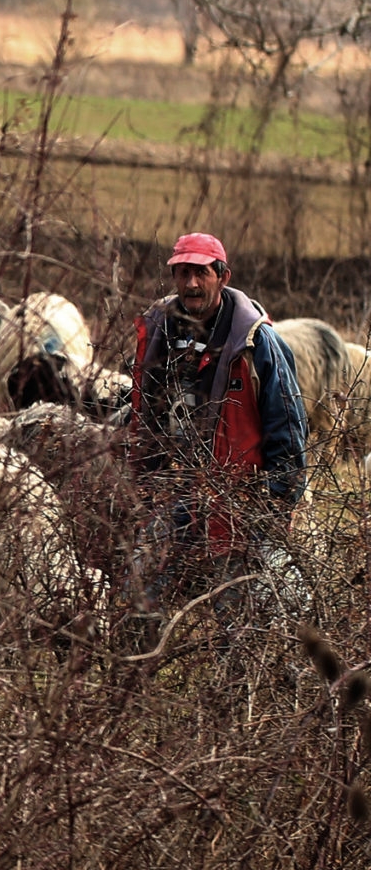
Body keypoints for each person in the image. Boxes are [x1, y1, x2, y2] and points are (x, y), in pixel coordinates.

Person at [127, 232, 309, 617]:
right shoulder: (159, 332)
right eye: (183, 273)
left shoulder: (257, 342)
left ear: (222, 276)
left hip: (240, 500)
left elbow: (288, 426)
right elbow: (145, 419)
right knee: (139, 599)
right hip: (175, 494)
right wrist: (145, 486)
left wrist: (277, 504)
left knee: (240, 617)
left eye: (202, 273)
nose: (192, 283)